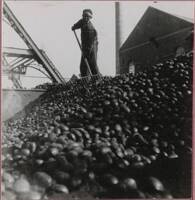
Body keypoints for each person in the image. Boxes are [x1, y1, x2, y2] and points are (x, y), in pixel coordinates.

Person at [72, 9, 100, 77]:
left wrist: (87, 53)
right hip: (85, 47)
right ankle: (86, 80)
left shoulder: (89, 28)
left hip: (92, 47)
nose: (85, 17)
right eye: (84, 16)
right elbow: (79, 23)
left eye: (87, 16)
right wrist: (74, 27)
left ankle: (97, 80)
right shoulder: (83, 22)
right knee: (83, 66)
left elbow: (90, 43)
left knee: (92, 65)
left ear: (90, 18)